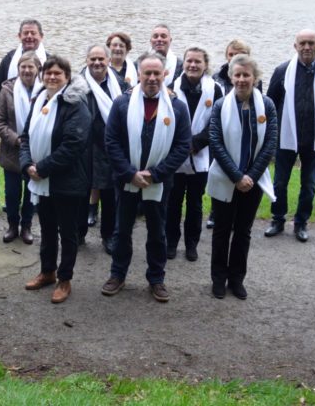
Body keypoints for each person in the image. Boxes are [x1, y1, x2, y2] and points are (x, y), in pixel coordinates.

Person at [101, 52, 191, 303]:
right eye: (147, 73)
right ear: (138, 74)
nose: (152, 78)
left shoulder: (177, 107)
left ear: (165, 74)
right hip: (126, 180)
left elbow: (183, 146)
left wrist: (155, 174)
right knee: (121, 231)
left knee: (157, 232)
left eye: (156, 73)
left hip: (159, 183)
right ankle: (117, 274)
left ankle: (156, 278)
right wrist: (130, 173)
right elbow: (111, 142)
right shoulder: (121, 104)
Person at [20, 56, 91, 304]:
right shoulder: (40, 99)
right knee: (47, 229)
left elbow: (73, 145)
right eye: (48, 73)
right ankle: (47, 271)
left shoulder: (76, 105)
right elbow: (26, 136)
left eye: (57, 73)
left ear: (67, 77)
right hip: (42, 180)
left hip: (67, 181)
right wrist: (26, 164)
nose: (52, 77)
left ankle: (65, 279)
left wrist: (42, 168)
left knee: (68, 233)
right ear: (42, 76)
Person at [208, 54, 278, 299]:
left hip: (253, 180)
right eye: (237, 75)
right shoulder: (220, 106)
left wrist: (250, 176)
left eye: (246, 75)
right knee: (221, 230)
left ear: (255, 78)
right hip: (225, 177)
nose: (241, 79)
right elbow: (215, 142)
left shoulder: (267, 105)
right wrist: (237, 176)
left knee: (243, 231)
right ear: (231, 77)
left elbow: (270, 143)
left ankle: (236, 279)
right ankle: (218, 278)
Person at [265, 30, 315, 242]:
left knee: (309, 184)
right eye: (302, 43)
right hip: (285, 137)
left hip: (314, 138)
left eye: (311, 43)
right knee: (280, 182)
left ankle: (301, 223)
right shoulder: (282, 71)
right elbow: (271, 102)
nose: (307, 47)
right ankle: (277, 219)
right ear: (295, 46)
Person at [166, 47, 222, 262]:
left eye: (198, 61)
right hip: (175, 156)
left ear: (205, 65)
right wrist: (182, 145)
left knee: (195, 204)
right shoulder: (171, 88)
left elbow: (217, 121)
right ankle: (171, 242)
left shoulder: (215, 89)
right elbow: (166, 120)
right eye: (189, 61)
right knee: (173, 202)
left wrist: (196, 143)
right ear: (184, 64)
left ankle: (191, 244)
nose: (193, 65)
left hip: (201, 154)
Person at [206, 39, 259, 229]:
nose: (235, 57)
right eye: (231, 54)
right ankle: (216, 212)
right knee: (221, 174)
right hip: (222, 135)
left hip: (245, 137)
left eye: (240, 54)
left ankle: (240, 211)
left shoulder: (257, 87)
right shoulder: (216, 78)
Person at [81, 44, 128, 254]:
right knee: (81, 193)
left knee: (110, 195)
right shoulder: (77, 84)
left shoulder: (121, 84)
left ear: (108, 60)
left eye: (101, 59)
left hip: (110, 147)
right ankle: (78, 233)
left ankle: (108, 235)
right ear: (86, 61)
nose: (97, 63)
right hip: (85, 148)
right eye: (93, 59)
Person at [0, 51, 42, 244]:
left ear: (38, 69)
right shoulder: (7, 90)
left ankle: (27, 226)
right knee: (12, 193)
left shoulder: (44, 90)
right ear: (18, 69)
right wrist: (16, 140)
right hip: (12, 152)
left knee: (31, 192)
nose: (26, 70)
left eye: (30, 66)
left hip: (35, 152)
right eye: (23, 67)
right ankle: (12, 225)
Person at [0, 19, 47, 85]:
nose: (29, 36)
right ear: (19, 36)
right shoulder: (9, 58)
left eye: (33, 33)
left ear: (41, 36)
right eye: (26, 33)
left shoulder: (48, 60)